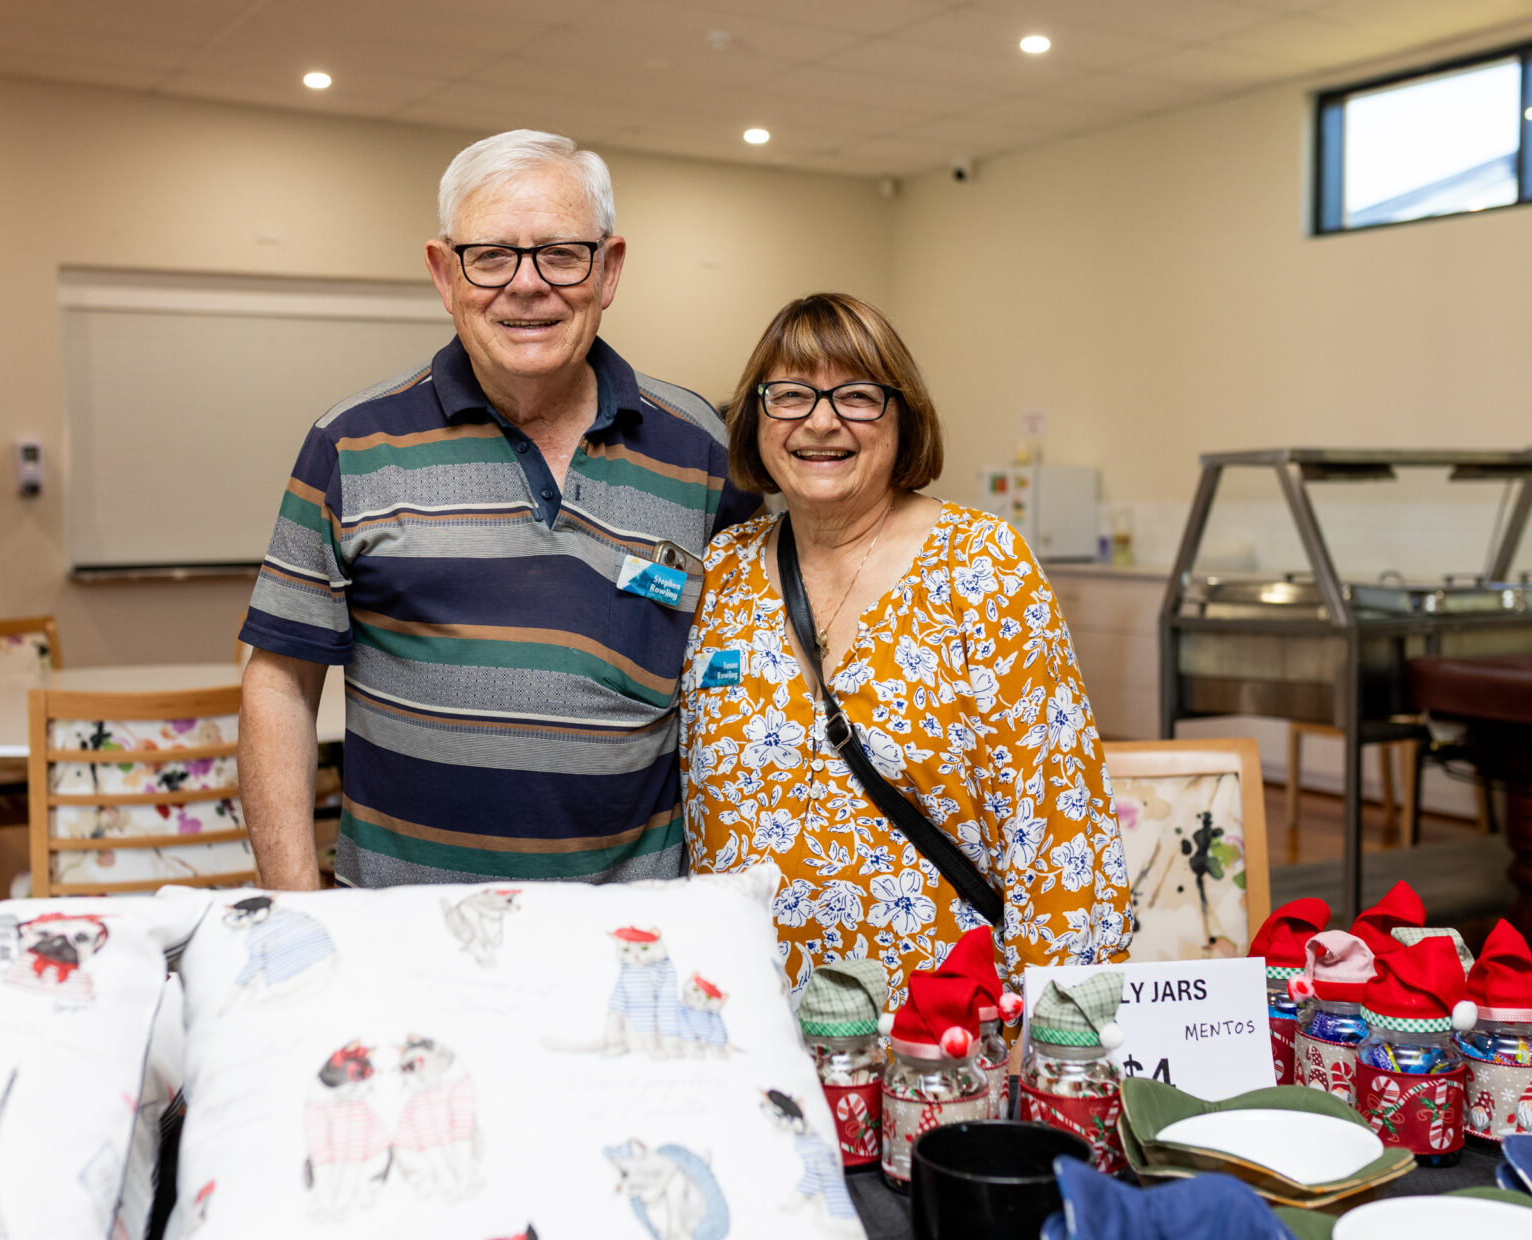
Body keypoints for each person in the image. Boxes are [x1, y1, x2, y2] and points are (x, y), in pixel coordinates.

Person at [240, 130, 757, 890]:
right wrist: (297, 909)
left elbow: (749, 673)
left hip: (633, 926)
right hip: (407, 930)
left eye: (561, 254)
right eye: (490, 256)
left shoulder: (701, 447)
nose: (526, 285)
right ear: (443, 272)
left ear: (609, 269)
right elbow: (280, 685)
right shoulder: (351, 444)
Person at [680, 293, 1132, 1003]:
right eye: (790, 394)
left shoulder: (979, 565)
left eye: (857, 396)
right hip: (748, 1019)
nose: (820, 421)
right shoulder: (723, 571)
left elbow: (1058, 830)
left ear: (903, 417)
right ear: (756, 418)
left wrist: (1052, 1029)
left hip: (938, 1031)